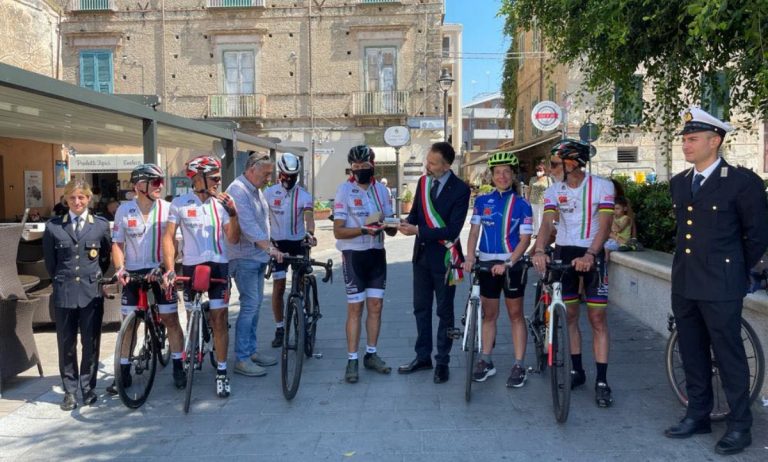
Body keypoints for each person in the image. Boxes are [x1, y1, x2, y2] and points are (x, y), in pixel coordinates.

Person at [663, 107, 768, 455]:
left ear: (715, 140)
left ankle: (740, 425)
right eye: (684, 140)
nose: (686, 145)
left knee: (728, 355)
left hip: (722, 283)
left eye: (692, 139)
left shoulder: (742, 182)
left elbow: (757, 236)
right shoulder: (679, 183)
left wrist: (737, 271)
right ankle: (698, 413)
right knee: (691, 351)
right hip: (686, 281)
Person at [531, 139, 615, 407]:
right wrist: (541, 250)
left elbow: (605, 226)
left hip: (592, 252)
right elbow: (546, 224)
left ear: (572, 163)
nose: (550, 168)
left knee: (597, 318)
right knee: (569, 316)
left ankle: (602, 380)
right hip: (565, 253)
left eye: (555, 164)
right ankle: (577, 370)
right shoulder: (554, 191)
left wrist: (591, 254)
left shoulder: (603, 186)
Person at [162, 155, 239, 398]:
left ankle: (222, 371)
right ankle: (192, 349)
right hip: (192, 267)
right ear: (198, 179)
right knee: (190, 314)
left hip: (219, 267)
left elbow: (234, 239)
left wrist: (234, 214)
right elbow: (168, 238)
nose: (218, 182)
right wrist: (170, 268)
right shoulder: (180, 203)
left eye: (219, 177)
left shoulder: (222, 203)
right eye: (214, 178)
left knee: (219, 318)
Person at [107, 164, 186, 395]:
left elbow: (176, 243)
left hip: (159, 272)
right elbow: (117, 244)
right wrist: (120, 269)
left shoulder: (169, 209)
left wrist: (164, 267)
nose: (160, 186)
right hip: (133, 273)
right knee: (129, 326)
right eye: (155, 182)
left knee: (171, 320)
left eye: (161, 181)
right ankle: (123, 372)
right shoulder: (124, 210)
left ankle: (179, 365)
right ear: (139, 186)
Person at [397, 142, 471, 384]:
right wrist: (399, 224)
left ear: (447, 165)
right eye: (427, 160)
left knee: (444, 311)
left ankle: (442, 361)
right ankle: (422, 356)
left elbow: (451, 230)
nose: (427, 166)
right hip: (421, 258)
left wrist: (417, 229)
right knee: (421, 308)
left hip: (446, 259)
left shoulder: (461, 190)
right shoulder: (423, 182)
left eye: (432, 163)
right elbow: (417, 213)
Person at [463, 152, 533, 387]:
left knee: (515, 315)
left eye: (506, 172)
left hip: (511, 264)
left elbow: (525, 239)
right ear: (491, 176)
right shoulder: (482, 202)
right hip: (486, 263)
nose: (502, 176)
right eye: (497, 172)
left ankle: (519, 364)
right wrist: (470, 256)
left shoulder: (522, 204)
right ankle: (486, 360)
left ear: (513, 175)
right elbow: (474, 232)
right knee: (489, 314)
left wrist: (510, 263)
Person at [42, 180, 111, 411]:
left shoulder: (100, 226)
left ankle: (88, 387)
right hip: (65, 292)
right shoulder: (54, 227)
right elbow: (51, 264)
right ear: (66, 200)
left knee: (90, 342)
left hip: (91, 292)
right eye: (72, 198)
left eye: (81, 197)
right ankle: (70, 391)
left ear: (89, 199)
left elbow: (105, 259)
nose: (77, 202)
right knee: (66, 344)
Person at [333, 145, 397, 383]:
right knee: (355, 309)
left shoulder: (382, 190)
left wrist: (390, 226)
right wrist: (362, 229)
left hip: (376, 254)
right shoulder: (344, 190)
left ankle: (371, 354)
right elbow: (338, 232)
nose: (359, 170)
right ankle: (352, 359)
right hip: (353, 255)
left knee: (376, 306)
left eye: (364, 167)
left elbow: (390, 229)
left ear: (373, 166)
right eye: (356, 167)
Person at [225, 152, 282, 378]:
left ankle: (250, 351)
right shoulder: (238, 191)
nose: (269, 178)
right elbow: (247, 227)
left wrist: (270, 245)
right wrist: (270, 248)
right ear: (251, 170)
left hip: (256, 257)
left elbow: (263, 222)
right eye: (266, 174)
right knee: (249, 306)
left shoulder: (255, 190)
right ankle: (242, 358)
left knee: (255, 306)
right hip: (244, 257)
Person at [263, 153, 315, 349]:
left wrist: (310, 233)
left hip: (298, 243)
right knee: (278, 288)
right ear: (280, 173)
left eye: (293, 176)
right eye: (286, 175)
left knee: (300, 286)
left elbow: (309, 217)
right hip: (278, 245)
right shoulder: (269, 193)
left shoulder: (304, 195)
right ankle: (280, 328)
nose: (289, 179)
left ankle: (305, 322)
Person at [526, 161, 553, 237]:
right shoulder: (532, 179)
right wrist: (527, 200)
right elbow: (529, 190)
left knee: (542, 217)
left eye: (540, 170)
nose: (538, 172)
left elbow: (551, 190)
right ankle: (535, 233)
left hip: (544, 201)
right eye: (537, 170)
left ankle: (542, 232)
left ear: (544, 171)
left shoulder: (548, 179)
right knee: (535, 217)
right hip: (533, 201)